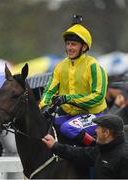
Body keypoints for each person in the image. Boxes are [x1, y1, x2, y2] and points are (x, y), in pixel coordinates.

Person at [39, 15, 108, 145]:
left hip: (96, 116)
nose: (69, 48)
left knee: (67, 127)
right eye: (68, 44)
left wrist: (68, 98)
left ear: (84, 47)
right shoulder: (60, 66)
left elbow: (98, 96)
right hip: (72, 116)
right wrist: (44, 106)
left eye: (74, 44)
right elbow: (49, 90)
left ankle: (96, 149)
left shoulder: (93, 65)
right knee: (47, 123)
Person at [42, 114, 128, 179]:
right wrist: (55, 146)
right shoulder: (101, 150)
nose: (95, 130)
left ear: (106, 133)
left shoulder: (124, 158)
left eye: (98, 128)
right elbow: (79, 153)